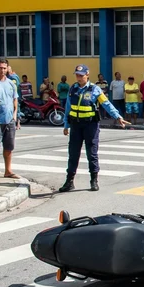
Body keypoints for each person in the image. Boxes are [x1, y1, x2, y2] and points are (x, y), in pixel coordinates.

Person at [60, 65, 126, 193]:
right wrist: (66, 125)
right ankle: (69, 181)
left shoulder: (95, 89)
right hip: (75, 126)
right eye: (77, 75)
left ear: (87, 74)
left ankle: (94, 180)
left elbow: (106, 103)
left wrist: (117, 116)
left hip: (91, 125)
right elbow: (68, 107)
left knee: (92, 154)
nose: (79, 77)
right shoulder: (72, 89)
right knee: (73, 154)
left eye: (81, 75)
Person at [0, 58, 20, 179]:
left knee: (9, 147)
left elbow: (15, 98)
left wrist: (15, 115)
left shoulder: (11, 83)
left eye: (4, 68)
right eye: (0, 67)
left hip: (9, 120)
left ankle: (8, 170)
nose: (2, 70)